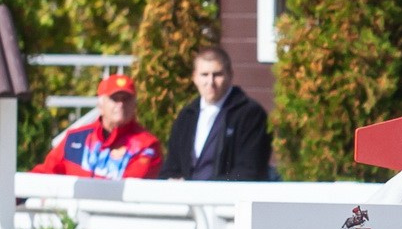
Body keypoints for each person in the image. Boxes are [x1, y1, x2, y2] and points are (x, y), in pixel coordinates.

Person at [160, 45, 272, 181]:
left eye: (217, 74)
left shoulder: (250, 115)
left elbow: (249, 170)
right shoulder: (186, 116)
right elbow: (171, 167)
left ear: (230, 75)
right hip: (186, 200)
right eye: (204, 75)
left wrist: (209, 191)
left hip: (229, 200)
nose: (210, 82)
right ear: (194, 77)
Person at [34, 73, 163, 180]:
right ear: (101, 105)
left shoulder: (147, 145)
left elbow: (130, 189)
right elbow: (46, 172)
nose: (121, 104)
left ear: (135, 105)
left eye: (126, 99)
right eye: (115, 99)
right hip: (73, 209)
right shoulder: (75, 138)